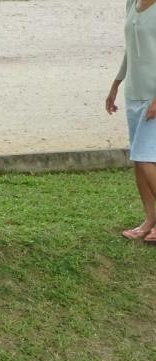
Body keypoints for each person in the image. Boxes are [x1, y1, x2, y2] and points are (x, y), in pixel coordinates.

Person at [108, 0, 156, 241]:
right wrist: (116, 85)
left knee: (145, 157)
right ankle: (149, 220)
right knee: (139, 160)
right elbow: (129, 50)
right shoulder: (131, 3)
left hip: (153, 96)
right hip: (134, 94)